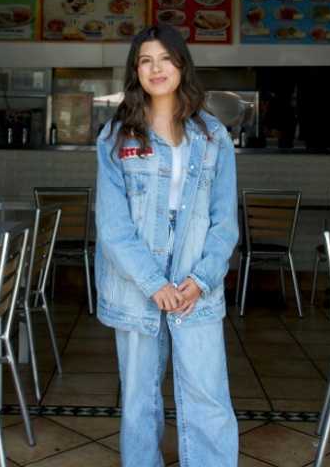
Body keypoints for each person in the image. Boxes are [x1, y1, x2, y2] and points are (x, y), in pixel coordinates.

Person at [95, 24, 239, 466]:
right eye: (145, 60)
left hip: (197, 275)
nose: (156, 68)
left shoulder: (214, 136)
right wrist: (153, 282)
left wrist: (201, 278)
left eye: (165, 58)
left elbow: (224, 221)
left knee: (208, 393)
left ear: (181, 64)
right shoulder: (117, 136)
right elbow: (113, 225)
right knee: (139, 399)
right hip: (137, 282)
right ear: (135, 70)